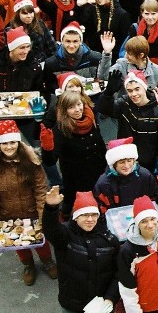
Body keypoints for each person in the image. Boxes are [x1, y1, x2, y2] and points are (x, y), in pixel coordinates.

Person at [41, 189, 126, 313]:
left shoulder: (109, 239)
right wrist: (51, 208)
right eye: (84, 215)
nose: (89, 219)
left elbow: (119, 273)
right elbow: (51, 230)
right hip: (73, 303)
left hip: (102, 302)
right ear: (75, 217)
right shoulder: (64, 235)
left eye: (93, 215)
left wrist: (110, 298)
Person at [0, 120, 57, 285]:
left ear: (17, 142)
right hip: (9, 215)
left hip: (32, 212)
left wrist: (42, 217)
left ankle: (47, 261)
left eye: (12, 142)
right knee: (19, 244)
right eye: (4, 143)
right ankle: (28, 266)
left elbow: (40, 191)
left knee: (40, 241)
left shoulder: (32, 161)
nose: (8, 147)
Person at [41, 88, 107, 217]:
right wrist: (47, 147)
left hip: (97, 171)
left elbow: (99, 143)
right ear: (64, 111)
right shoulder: (60, 129)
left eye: (79, 104)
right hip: (75, 177)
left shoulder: (90, 118)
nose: (77, 110)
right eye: (71, 107)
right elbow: (50, 161)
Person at [98, 70, 158, 171]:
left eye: (137, 89)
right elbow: (104, 109)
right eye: (130, 90)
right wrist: (108, 93)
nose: (134, 94)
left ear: (144, 88)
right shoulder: (124, 104)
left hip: (152, 164)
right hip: (128, 163)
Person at [0, 26, 45, 144]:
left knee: (31, 146)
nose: (26, 51)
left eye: (28, 47)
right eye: (22, 48)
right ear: (11, 48)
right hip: (2, 118)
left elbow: (39, 90)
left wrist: (41, 102)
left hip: (26, 120)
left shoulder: (34, 67)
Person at [43, 22, 113, 93]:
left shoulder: (94, 58)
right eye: (68, 41)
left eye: (75, 41)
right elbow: (50, 89)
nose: (71, 45)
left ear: (80, 42)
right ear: (62, 42)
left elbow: (103, 79)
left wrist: (107, 54)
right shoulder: (51, 63)